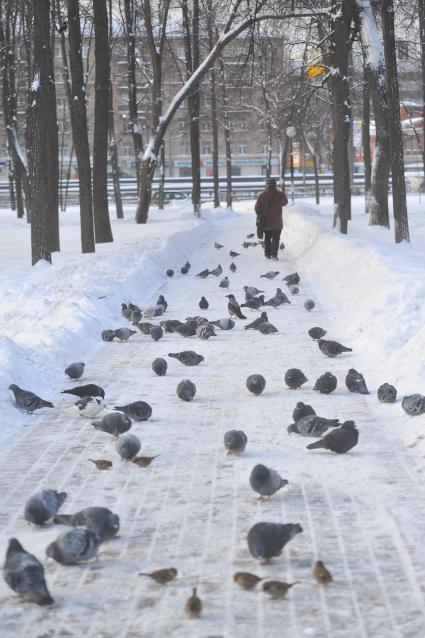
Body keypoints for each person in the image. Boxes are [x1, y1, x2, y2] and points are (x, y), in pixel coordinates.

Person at [255, 178, 288, 260]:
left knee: (267, 237)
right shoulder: (280, 194)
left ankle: (267, 253)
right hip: (277, 221)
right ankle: (274, 255)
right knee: (276, 238)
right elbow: (285, 203)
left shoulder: (262, 195)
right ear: (275, 185)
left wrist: (260, 214)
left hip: (266, 221)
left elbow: (257, 208)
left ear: (267, 185)